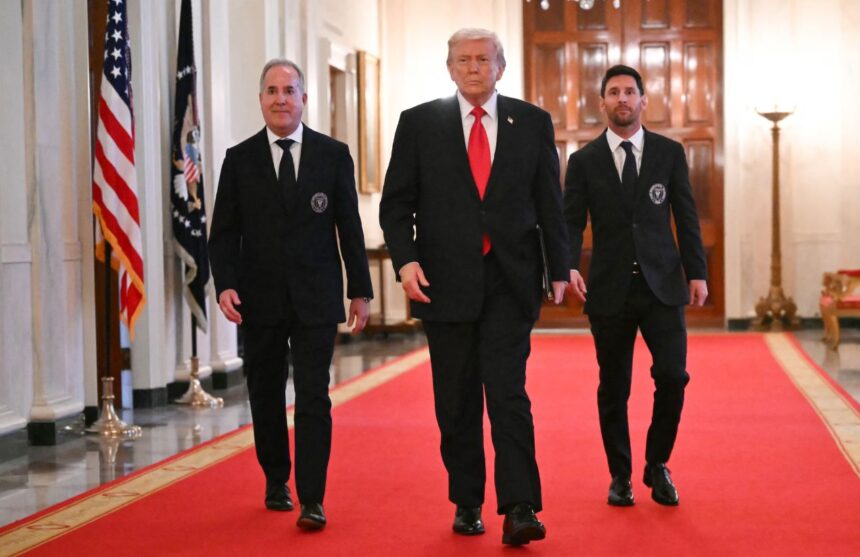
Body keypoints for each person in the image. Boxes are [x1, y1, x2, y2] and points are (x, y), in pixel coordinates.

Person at [379, 28, 569, 546]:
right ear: (449, 69)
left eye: (483, 60)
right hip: (444, 283)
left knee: (508, 393)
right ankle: (467, 499)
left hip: (510, 279)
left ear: (500, 67)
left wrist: (559, 266)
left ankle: (521, 506)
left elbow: (549, 202)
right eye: (462, 60)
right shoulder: (419, 124)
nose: (473, 68)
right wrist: (406, 262)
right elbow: (396, 204)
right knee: (457, 399)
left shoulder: (532, 122)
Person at [208, 59, 373, 530]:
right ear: (261, 99)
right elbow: (224, 232)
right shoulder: (239, 159)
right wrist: (226, 283)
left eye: (289, 90)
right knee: (264, 392)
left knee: (314, 395)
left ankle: (312, 497)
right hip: (258, 300)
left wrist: (360, 290)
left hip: (316, 297)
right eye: (272, 91)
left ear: (304, 98)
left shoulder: (332, 155)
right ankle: (276, 477)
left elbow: (349, 227)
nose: (281, 99)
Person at [564, 64, 708, 507]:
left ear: (643, 101)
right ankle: (620, 475)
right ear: (602, 103)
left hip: (662, 285)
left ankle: (657, 464)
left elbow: (686, 215)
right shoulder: (584, 161)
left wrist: (697, 272)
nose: (622, 99)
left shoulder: (668, 153)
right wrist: (567, 266)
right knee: (614, 387)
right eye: (614, 92)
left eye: (630, 91)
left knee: (673, 377)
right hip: (609, 290)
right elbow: (570, 222)